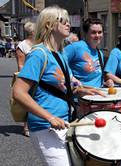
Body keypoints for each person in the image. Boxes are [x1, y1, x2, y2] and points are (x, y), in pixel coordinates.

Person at [12, 6, 103, 166]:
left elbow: (66, 86)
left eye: (68, 21)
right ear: (49, 25)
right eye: (63, 21)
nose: (68, 24)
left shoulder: (59, 54)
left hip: (65, 122)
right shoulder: (38, 54)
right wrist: (50, 117)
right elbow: (19, 93)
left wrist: (84, 90)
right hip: (45, 127)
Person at [64, 18, 113, 88]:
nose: (97, 35)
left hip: (98, 95)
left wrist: (105, 83)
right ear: (85, 33)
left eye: (100, 32)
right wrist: (73, 83)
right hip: (80, 97)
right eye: (93, 32)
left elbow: (96, 79)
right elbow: (58, 64)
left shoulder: (100, 53)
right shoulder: (75, 47)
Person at [15, 21, 36, 137]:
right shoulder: (22, 46)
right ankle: (26, 125)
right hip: (27, 76)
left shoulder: (39, 43)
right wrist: (24, 78)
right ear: (31, 32)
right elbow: (21, 65)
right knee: (27, 100)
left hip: (39, 76)